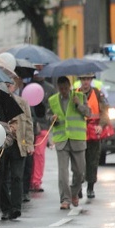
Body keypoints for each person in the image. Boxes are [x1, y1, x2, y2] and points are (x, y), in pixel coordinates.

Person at [47, 75, 90, 210]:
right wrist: (52, 118)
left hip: (77, 139)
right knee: (63, 173)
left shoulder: (81, 97)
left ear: (69, 86)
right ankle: (65, 199)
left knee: (80, 172)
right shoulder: (53, 100)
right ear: (58, 88)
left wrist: (79, 104)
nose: (64, 91)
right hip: (62, 140)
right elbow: (47, 116)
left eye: (66, 88)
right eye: (61, 89)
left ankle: (74, 192)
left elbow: (88, 113)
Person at [0, 78, 34, 221]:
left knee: (17, 177)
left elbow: (28, 124)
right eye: (6, 84)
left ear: (15, 86)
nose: (8, 87)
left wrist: (30, 144)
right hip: (3, 144)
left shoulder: (22, 102)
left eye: (10, 84)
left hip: (19, 144)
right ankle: (6, 208)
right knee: (1, 178)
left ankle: (16, 208)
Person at [76, 73, 110, 199]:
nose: (85, 82)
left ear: (91, 80)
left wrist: (101, 125)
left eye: (88, 79)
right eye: (83, 79)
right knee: (78, 162)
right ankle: (78, 186)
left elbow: (105, 113)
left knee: (93, 160)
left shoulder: (97, 94)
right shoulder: (74, 94)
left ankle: (90, 187)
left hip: (94, 132)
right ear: (80, 80)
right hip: (78, 132)